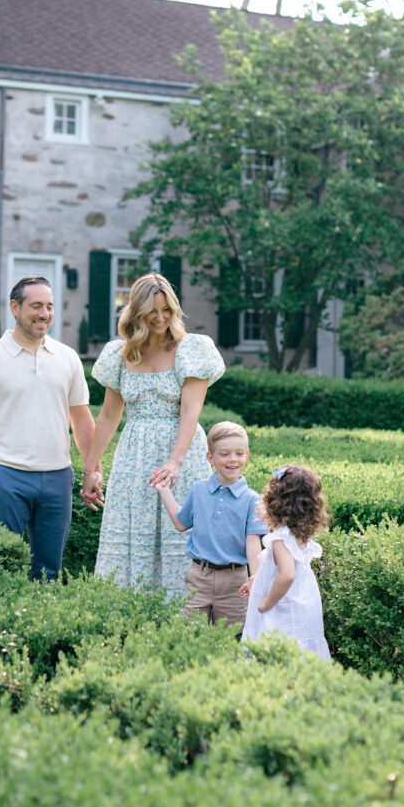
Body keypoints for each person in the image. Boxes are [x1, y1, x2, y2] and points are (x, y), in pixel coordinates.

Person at [82, 272, 225, 598]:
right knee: (134, 536)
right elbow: (107, 416)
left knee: (180, 533)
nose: (160, 318)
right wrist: (91, 469)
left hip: (182, 454)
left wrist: (175, 463)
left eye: (167, 310)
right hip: (134, 457)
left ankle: (186, 617)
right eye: (152, 311)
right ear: (137, 312)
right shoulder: (122, 354)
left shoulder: (192, 350)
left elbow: (190, 412)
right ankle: (130, 615)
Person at [0, 276, 103, 581]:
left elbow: (82, 417)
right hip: (7, 477)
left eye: (49, 306)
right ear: (15, 307)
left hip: (58, 478)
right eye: (36, 306)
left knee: (48, 572)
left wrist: (92, 470)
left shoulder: (68, 358)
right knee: (1, 569)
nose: (44, 314)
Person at [154, 421, 267, 627]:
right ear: (210, 458)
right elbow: (181, 523)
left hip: (235, 580)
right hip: (199, 577)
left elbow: (253, 544)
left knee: (231, 637)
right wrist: (164, 491)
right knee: (190, 634)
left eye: (239, 454)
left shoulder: (253, 500)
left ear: (247, 456)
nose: (233, 459)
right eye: (224, 454)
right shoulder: (198, 490)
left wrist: (256, 578)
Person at [240, 463, 331, 659]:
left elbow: (287, 575)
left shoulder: (281, 538)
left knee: (280, 650)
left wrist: (267, 601)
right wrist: (257, 581)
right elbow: (277, 570)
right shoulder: (299, 534)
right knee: (302, 650)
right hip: (304, 602)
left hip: (283, 605)